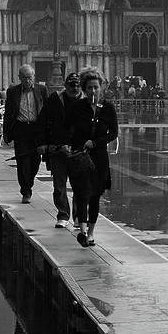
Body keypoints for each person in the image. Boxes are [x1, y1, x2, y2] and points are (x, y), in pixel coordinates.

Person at [64, 70, 118, 247]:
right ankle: (83, 230)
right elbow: (67, 129)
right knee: (82, 193)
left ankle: (91, 232)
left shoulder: (108, 108)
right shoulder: (77, 108)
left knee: (95, 196)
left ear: (101, 88)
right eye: (89, 88)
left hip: (99, 158)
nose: (93, 91)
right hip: (80, 157)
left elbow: (114, 133)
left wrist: (95, 143)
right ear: (84, 89)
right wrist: (67, 144)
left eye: (96, 87)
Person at [36, 71, 83, 228]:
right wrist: (42, 142)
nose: (74, 89)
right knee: (59, 185)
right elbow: (43, 121)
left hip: (78, 151)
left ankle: (78, 216)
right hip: (57, 149)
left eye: (77, 86)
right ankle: (63, 214)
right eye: (71, 86)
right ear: (65, 86)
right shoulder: (54, 100)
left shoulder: (87, 101)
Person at [3, 64, 48, 203]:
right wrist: (6, 133)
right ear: (19, 78)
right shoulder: (13, 92)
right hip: (21, 129)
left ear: (34, 77)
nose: (27, 81)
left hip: (37, 129)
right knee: (22, 161)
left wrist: (48, 133)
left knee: (35, 161)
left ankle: (29, 183)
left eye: (30, 77)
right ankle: (25, 191)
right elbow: (8, 113)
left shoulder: (42, 90)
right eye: (24, 78)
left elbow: (47, 111)